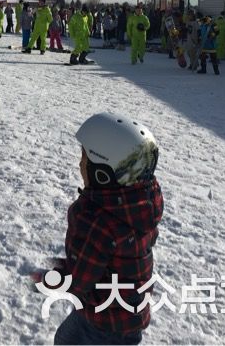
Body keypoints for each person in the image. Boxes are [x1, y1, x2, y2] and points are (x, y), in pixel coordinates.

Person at [46, 113, 161, 346]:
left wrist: (52, 277)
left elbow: (80, 280)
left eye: (85, 158)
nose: (79, 164)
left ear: (103, 173)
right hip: (128, 311)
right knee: (64, 337)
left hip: (104, 321)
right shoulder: (141, 202)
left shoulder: (96, 220)